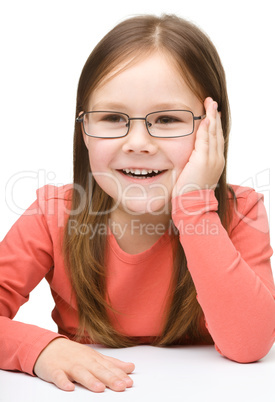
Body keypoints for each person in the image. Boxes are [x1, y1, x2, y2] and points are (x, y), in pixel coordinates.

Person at [0, 14, 275, 394]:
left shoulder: (241, 212)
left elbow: (249, 345)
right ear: (83, 131)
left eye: (166, 119)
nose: (138, 142)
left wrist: (195, 206)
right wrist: (42, 349)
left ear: (213, 127)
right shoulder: (53, 213)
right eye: (113, 117)